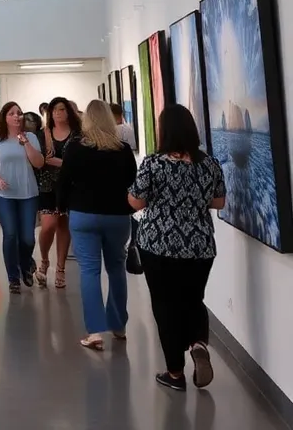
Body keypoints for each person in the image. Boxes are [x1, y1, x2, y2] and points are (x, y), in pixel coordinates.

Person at [129, 104, 226, 392]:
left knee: (165, 306)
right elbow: (219, 202)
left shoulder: (153, 163)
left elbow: (136, 202)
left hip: (158, 244)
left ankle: (174, 374)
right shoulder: (209, 163)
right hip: (200, 245)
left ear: (164, 131)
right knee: (193, 299)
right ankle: (198, 342)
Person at [58, 100, 137, 350]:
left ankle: (94, 333)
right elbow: (132, 182)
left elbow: (64, 181)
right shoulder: (123, 149)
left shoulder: (75, 148)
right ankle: (119, 325)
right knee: (116, 268)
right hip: (117, 216)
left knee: (89, 271)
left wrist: (61, 206)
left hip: (83, 215)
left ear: (87, 121)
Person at [0, 102, 45, 293]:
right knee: (10, 234)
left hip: (28, 193)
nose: (17, 116)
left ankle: (26, 264)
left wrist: (25, 142)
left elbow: (39, 163)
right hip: (4, 195)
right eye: (12, 113)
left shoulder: (31, 137)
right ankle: (13, 278)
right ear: (5, 118)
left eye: (19, 113)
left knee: (27, 238)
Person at [36, 97, 80, 290]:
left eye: (62, 109)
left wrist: (61, 163)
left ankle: (60, 267)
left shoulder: (78, 134)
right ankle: (44, 259)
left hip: (69, 185)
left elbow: (82, 161)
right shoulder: (42, 134)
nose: (58, 113)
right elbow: (38, 160)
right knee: (48, 225)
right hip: (46, 185)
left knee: (63, 225)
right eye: (54, 110)